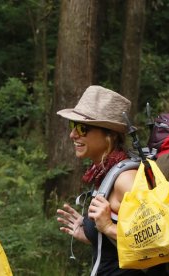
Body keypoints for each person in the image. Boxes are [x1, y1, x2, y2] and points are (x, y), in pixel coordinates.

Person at [55, 86, 145, 275]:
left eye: (82, 128)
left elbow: (153, 241)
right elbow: (116, 247)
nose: (73, 134)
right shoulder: (106, 173)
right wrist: (92, 233)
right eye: (73, 126)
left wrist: (109, 228)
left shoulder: (126, 179)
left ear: (109, 134)